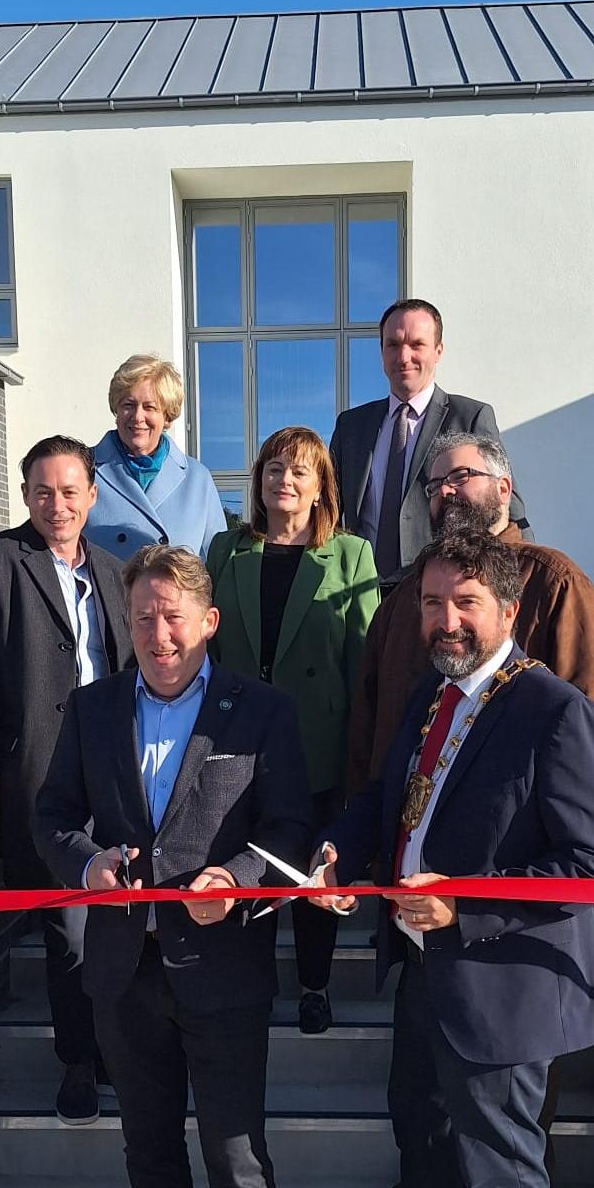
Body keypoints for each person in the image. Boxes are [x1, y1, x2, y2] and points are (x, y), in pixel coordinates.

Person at [303, 532, 594, 1188]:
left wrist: (465, 912)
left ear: (507, 612)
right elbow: (383, 796)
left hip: (501, 984)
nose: (445, 621)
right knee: (423, 1133)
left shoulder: (554, 714)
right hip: (423, 969)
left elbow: (591, 867)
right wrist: (341, 846)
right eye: (433, 604)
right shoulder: (429, 696)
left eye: (464, 605)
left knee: (506, 1172)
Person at [33, 544, 312, 1188]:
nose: (159, 634)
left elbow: (289, 828)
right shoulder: (91, 707)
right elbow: (51, 817)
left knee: (236, 1165)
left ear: (208, 622)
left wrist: (232, 874)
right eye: (145, 617)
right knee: (149, 1149)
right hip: (121, 971)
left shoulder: (259, 712)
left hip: (221, 969)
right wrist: (89, 861)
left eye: (174, 617)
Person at [0, 435, 133, 1126]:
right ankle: (78, 1060)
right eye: (42, 491)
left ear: (91, 496)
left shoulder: (115, 572)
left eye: (69, 491)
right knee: (68, 923)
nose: (57, 505)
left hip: (115, 771)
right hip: (41, 771)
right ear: (25, 494)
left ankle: (115, 1045)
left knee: (114, 917)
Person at [205, 427, 379, 1034]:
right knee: (245, 861)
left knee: (312, 868)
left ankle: (314, 986)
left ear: (320, 486)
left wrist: (361, 756)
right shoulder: (227, 550)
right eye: (274, 468)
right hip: (240, 740)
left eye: (300, 471)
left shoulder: (352, 555)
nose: (285, 480)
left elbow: (364, 663)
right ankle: (244, 986)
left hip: (318, 744)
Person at [348, 432, 594, 793]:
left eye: (460, 477)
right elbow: (366, 728)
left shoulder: (555, 584)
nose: (445, 492)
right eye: (434, 486)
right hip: (399, 834)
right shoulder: (402, 598)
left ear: (503, 489)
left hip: (509, 836)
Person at [329, 298, 528, 585]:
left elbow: (512, 515)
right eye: (393, 345)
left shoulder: (469, 418)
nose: (403, 356)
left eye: (416, 345)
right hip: (360, 595)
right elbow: (327, 514)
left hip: (439, 592)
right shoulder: (351, 426)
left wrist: (524, 586)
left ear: (438, 351)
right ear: (382, 352)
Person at [85, 353, 226, 560]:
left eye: (149, 407)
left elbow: (216, 563)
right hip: (106, 592)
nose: (137, 417)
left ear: (167, 415)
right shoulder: (83, 469)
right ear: (116, 409)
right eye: (128, 405)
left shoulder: (197, 478)